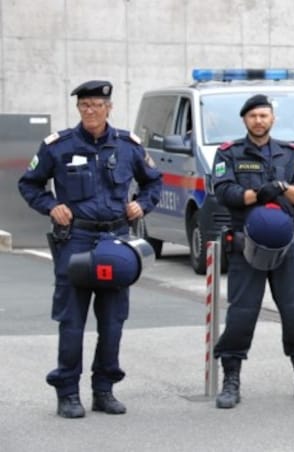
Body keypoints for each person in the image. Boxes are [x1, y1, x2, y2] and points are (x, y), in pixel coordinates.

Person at [17, 80, 163, 418]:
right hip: (76, 241)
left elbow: (154, 181)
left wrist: (142, 204)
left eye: (97, 104)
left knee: (113, 321)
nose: (90, 110)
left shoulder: (128, 145)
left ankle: (104, 390)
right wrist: (51, 206)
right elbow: (29, 184)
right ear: (78, 108)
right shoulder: (58, 146)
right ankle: (68, 392)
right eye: (84, 105)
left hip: (116, 241)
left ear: (109, 107)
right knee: (72, 321)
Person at [211, 94, 294, 407]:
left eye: (264, 115)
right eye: (253, 116)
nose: (258, 121)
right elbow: (224, 192)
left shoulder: (291, 154)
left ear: (272, 119)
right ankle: (231, 378)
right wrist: (257, 194)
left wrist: (283, 188)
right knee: (242, 313)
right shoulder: (229, 154)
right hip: (246, 244)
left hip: (286, 245)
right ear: (245, 120)